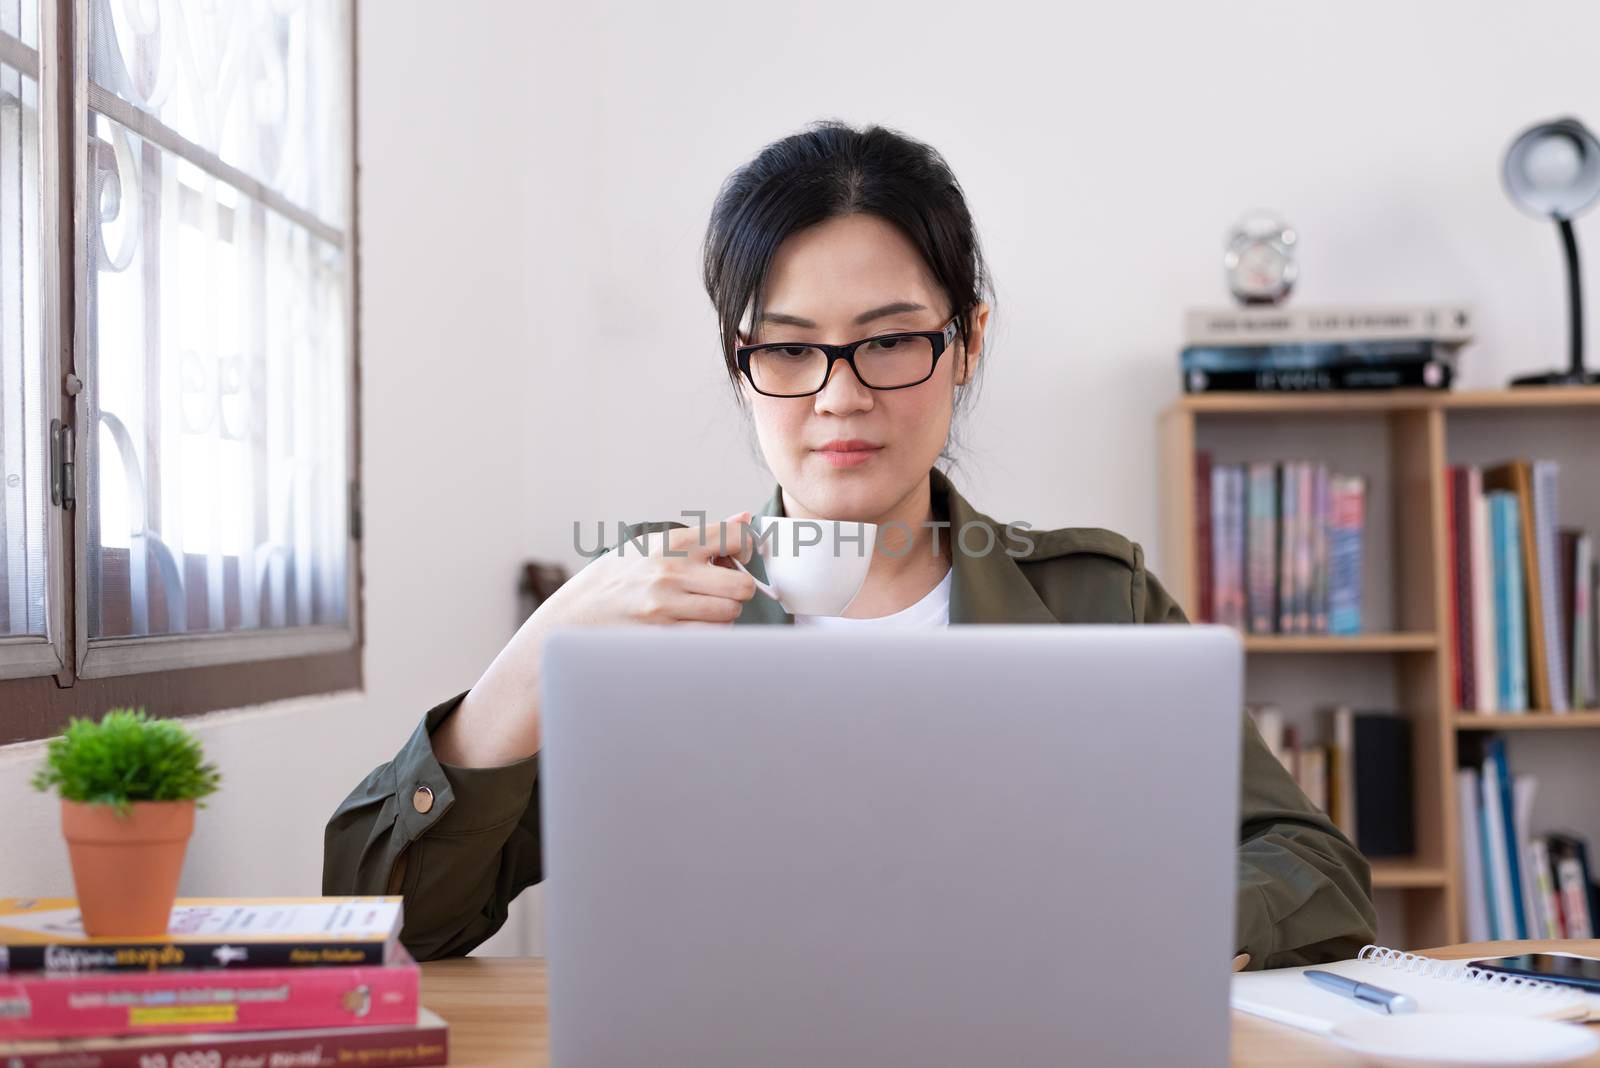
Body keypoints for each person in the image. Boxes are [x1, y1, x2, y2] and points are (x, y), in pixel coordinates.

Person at [322, 119, 1377, 970]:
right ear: (741, 365)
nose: (840, 395)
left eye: (888, 340)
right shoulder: (650, 606)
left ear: (965, 342)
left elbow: (1310, 865)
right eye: (788, 348)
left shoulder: (1093, 597)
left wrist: (1136, 926)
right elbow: (392, 921)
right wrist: (532, 658)